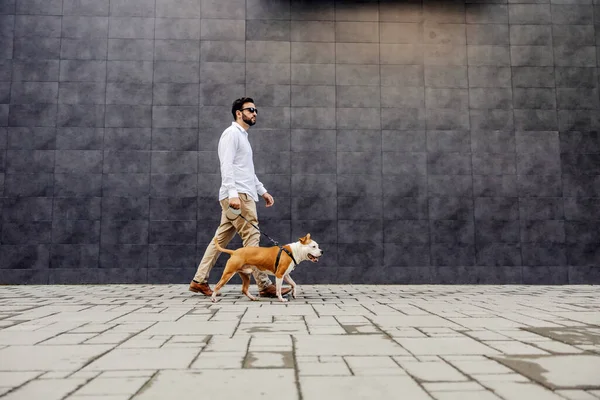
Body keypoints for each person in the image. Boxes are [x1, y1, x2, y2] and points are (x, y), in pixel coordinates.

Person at [189, 97, 292, 298]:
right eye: (250, 110)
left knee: (219, 240)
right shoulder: (231, 134)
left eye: (256, 110)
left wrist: (262, 191)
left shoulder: (243, 137)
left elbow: (246, 171)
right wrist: (233, 194)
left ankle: (199, 280)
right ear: (239, 113)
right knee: (252, 237)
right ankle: (264, 285)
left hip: (242, 192)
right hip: (239, 195)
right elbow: (226, 166)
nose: (254, 113)